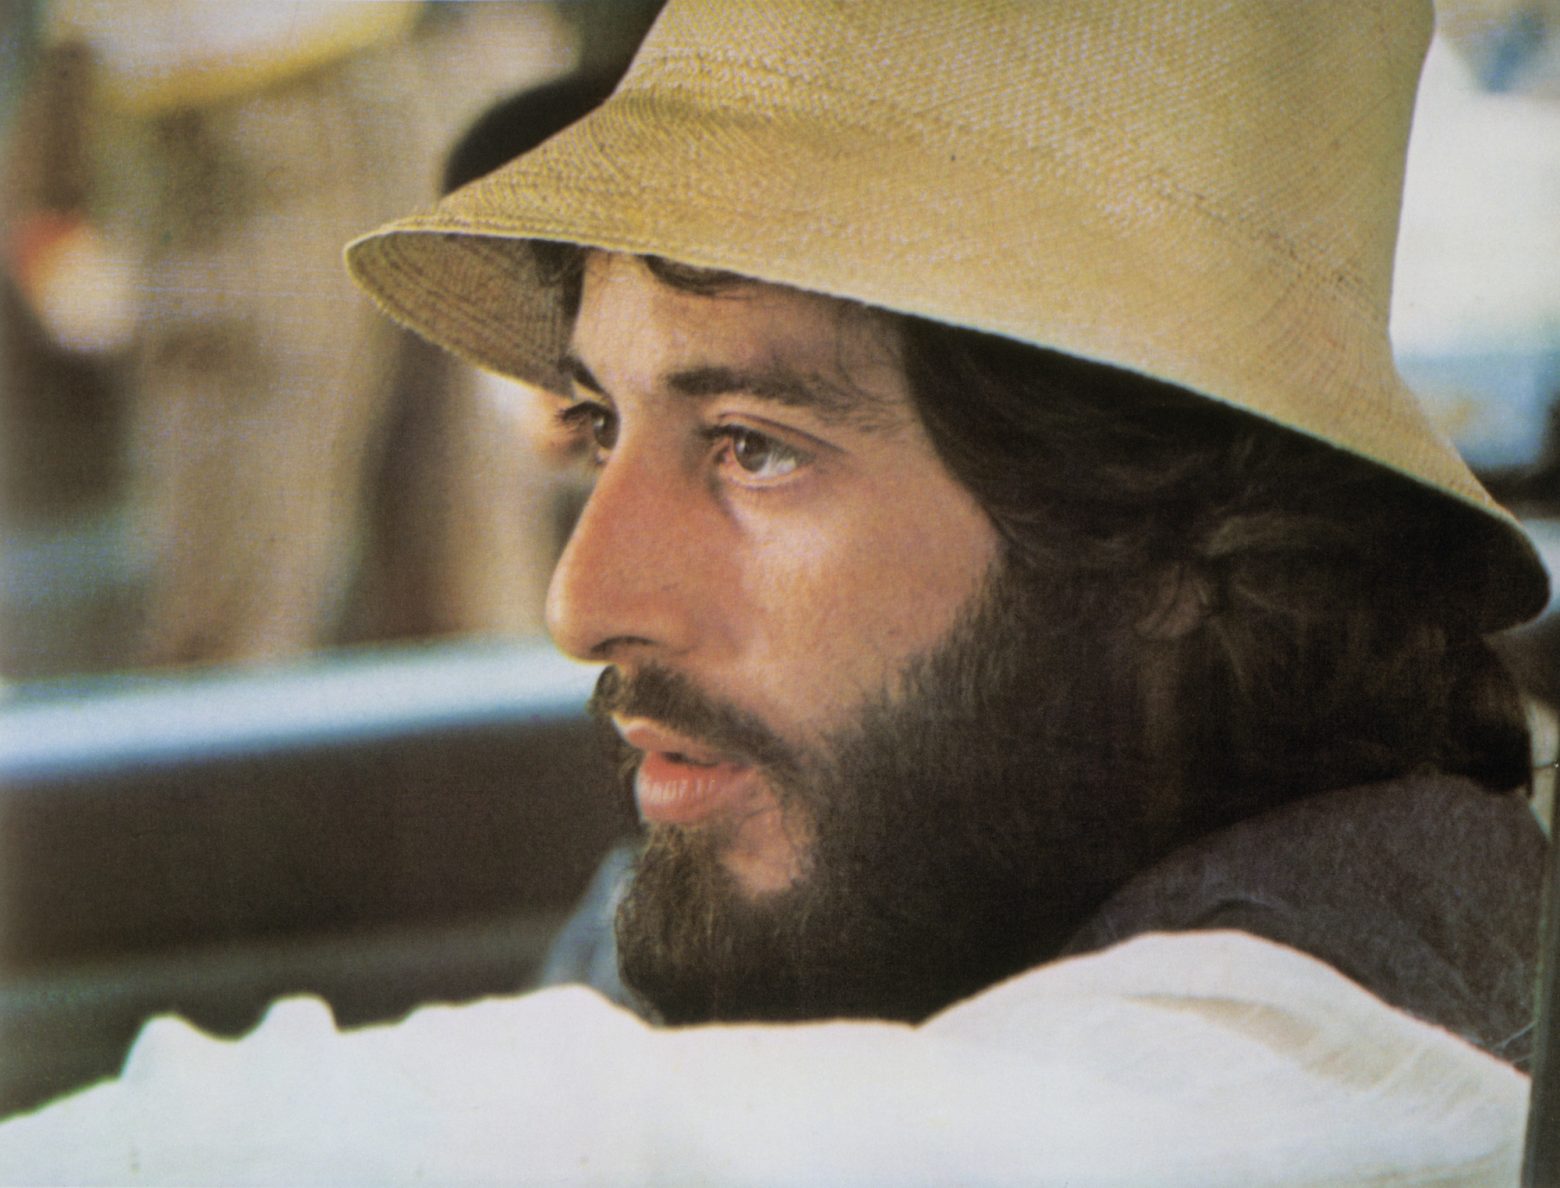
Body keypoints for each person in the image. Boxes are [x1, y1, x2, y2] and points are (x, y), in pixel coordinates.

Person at [0, 2, 1550, 1182]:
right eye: (598, 425)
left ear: (1170, 536)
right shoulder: (903, 869)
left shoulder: (1314, 1070)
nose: (581, 598)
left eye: (754, 447)